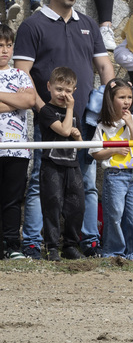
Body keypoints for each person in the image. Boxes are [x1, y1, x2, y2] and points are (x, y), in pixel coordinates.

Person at [14, 0, 114, 260]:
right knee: (39, 183)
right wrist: (44, 111)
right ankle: (33, 242)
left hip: (86, 117)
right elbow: (23, 74)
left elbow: (104, 66)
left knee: (86, 181)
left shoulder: (89, 23)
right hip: (48, 120)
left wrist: (113, 98)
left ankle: (87, 242)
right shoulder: (33, 25)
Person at [88, 78, 133, 260]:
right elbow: (95, 153)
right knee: (114, 215)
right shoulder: (102, 126)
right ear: (110, 99)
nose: (127, 101)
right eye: (122, 97)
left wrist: (129, 124)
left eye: (129, 97)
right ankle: (113, 252)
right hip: (114, 176)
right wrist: (113, 150)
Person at [33, 66, 80, 261]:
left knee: (77, 207)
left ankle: (71, 245)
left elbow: (75, 137)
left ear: (74, 91)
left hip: (72, 164)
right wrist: (69, 109)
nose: (63, 94)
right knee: (52, 205)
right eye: (59, 89)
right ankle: (52, 247)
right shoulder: (46, 110)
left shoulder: (73, 111)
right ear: (49, 87)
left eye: (68, 91)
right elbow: (63, 130)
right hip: (51, 164)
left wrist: (78, 137)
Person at [0, 24, 33, 259]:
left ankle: (12, 244)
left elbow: (29, 100)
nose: (5, 50)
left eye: (9, 45)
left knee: (12, 199)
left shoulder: (20, 75)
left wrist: (19, 100)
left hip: (17, 149)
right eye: (0, 46)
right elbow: (20, 100)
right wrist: (16, 100)